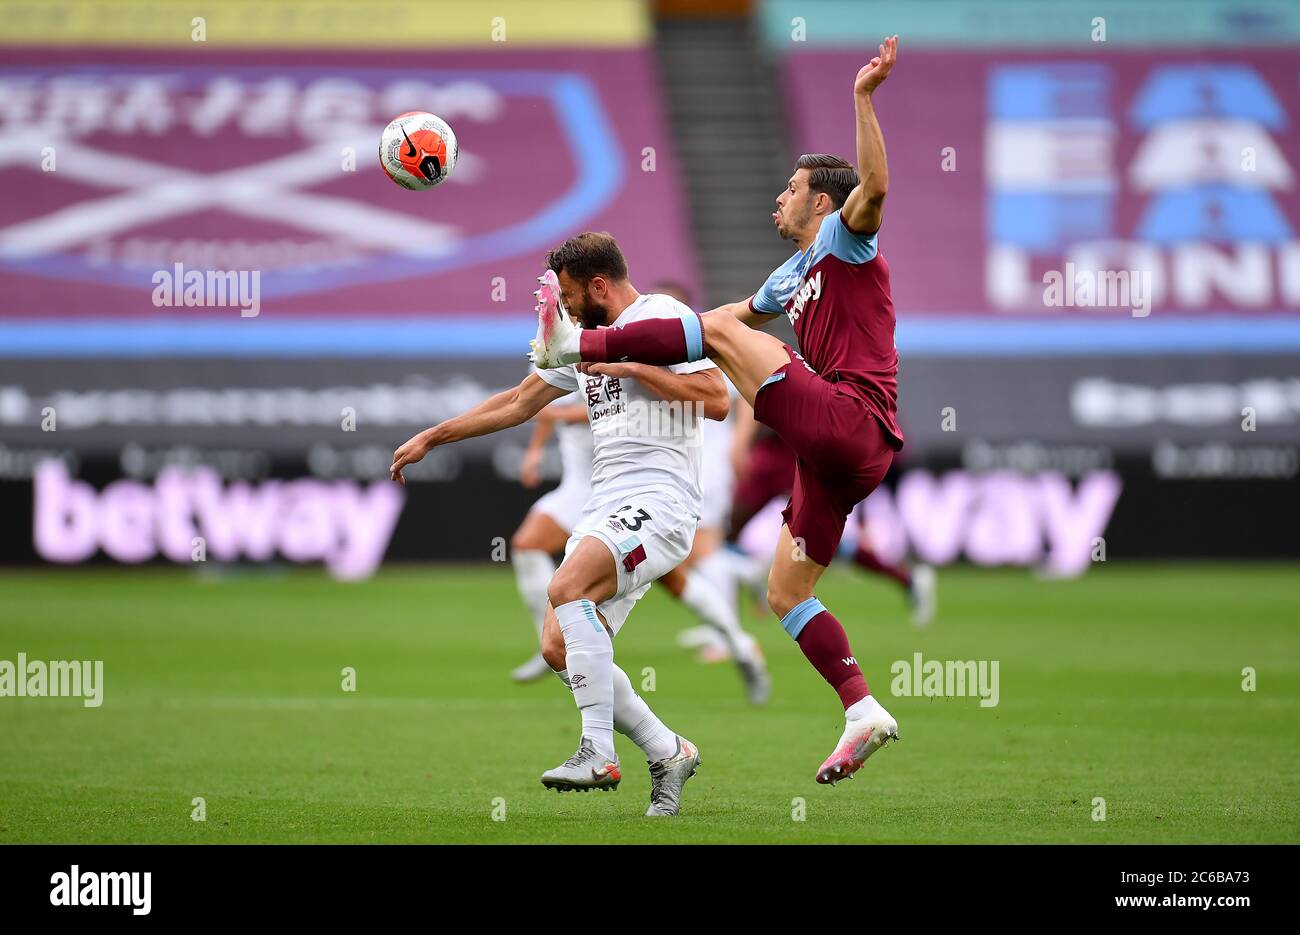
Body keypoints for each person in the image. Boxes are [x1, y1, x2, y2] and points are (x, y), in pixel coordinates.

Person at [531, 37, 906, 785]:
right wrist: (649, 342)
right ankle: (862, 708)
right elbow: (713, 320)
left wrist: (863, 98)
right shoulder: (790, 272)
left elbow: (875, 186)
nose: (778, 197)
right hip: (836, 455)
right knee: (784, 592)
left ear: (820, 201)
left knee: (722, 330)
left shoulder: (846, 237)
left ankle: (579, 346)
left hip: (852, 416)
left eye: (790, 188)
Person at [392, 231, 727, 815]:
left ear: (600, 285)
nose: (567, 308)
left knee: (566, 586)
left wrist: (632, 363)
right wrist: (433, 436)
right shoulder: (584, 342)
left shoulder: (661, 316)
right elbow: (518, 402)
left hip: (663, 501)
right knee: (556, 647)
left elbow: (716, 396)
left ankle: (597, 750)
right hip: (606, 505)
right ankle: (668, 750)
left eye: (572, 296)